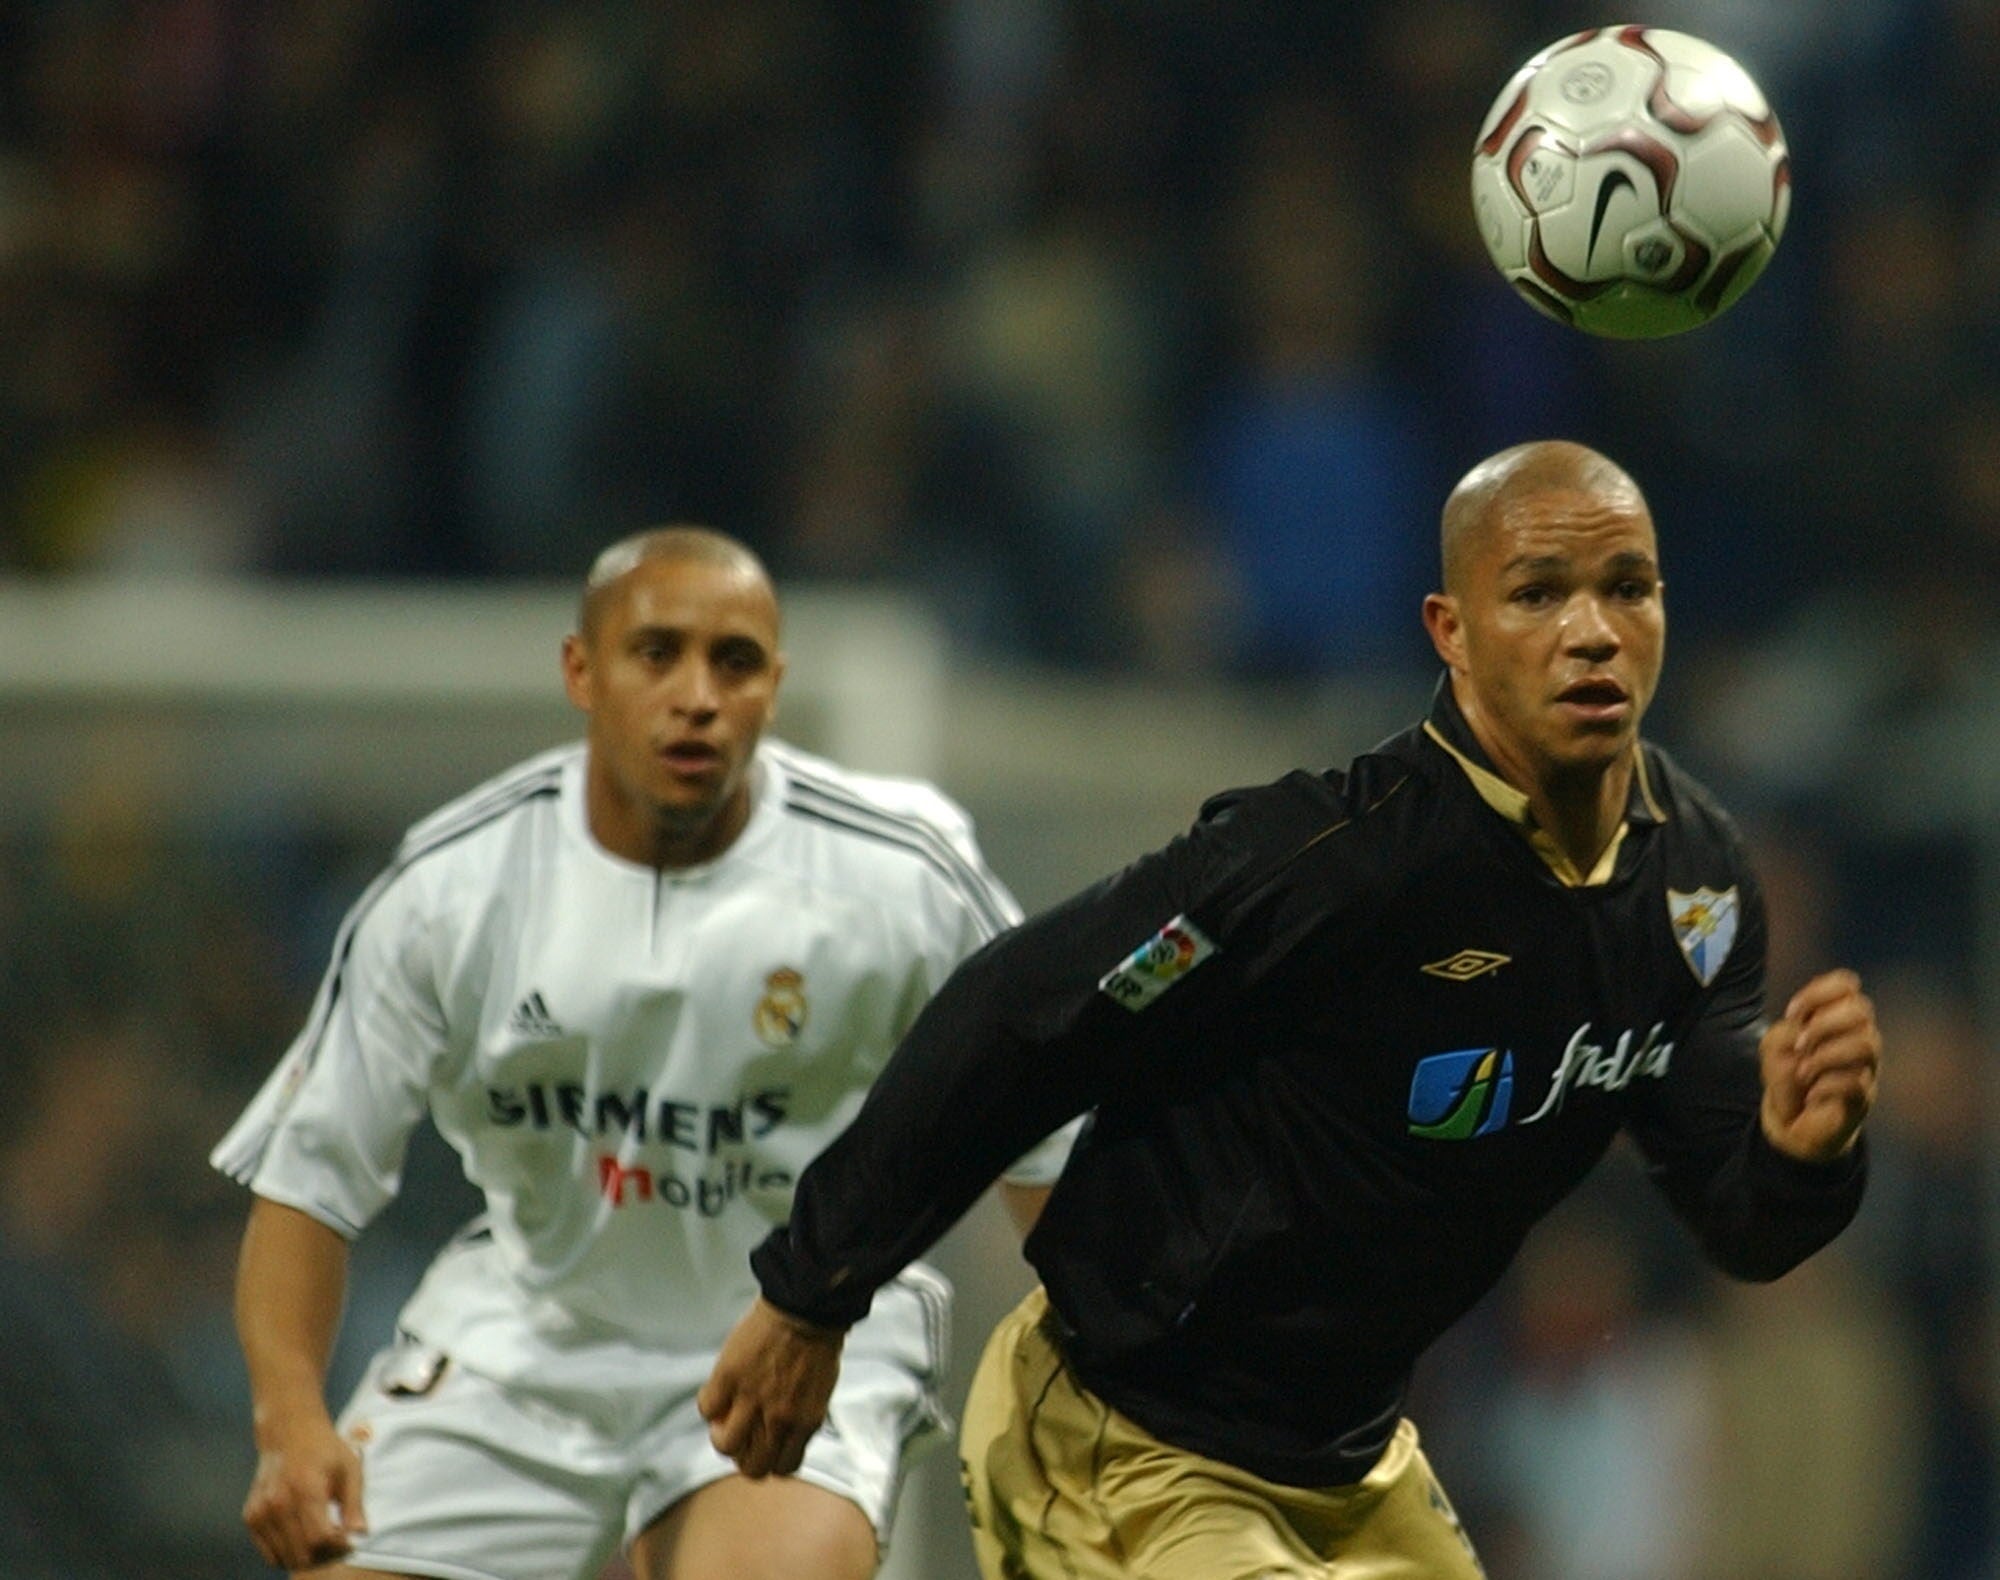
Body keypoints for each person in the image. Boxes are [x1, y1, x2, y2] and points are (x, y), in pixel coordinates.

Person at [698, 440, 1882, 1579]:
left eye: (1626, 587)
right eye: (1536, 592)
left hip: (1354, 1468)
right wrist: (813, 1291)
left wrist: (1798, 1151)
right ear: (1451, 635)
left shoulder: (1696, 883)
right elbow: (1028, 1012)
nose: (1590, 631)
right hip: (1126, 1445)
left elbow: (1743, 1224)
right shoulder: (1324, 863)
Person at [210, 526, 1070, 1580]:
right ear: (581, 670)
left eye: (735, 661)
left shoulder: (901, 872)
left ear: (776, 685)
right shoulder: (451, 887)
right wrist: (289, 1423)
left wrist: (1136, 1400)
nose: (698, 693)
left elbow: (1053, 1148)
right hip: (524, 1334)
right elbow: (309, 1182)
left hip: (793, 1330)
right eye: (656, 652)